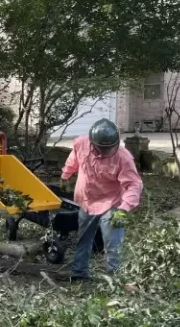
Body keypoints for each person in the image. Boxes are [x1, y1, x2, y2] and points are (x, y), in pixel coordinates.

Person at [60, 119, 143, 279]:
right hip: (86, 200)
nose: (104, 152)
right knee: (83, 239)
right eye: (101, 148)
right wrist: (65, 176)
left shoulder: (123, 158)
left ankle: (115, 280)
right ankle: (79, 273)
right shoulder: (81, 144)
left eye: (108, 148)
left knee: (112, 244)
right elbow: (73, 160)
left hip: (111, 204)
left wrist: (124, 209)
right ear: (92, 142)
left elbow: (133, 185)